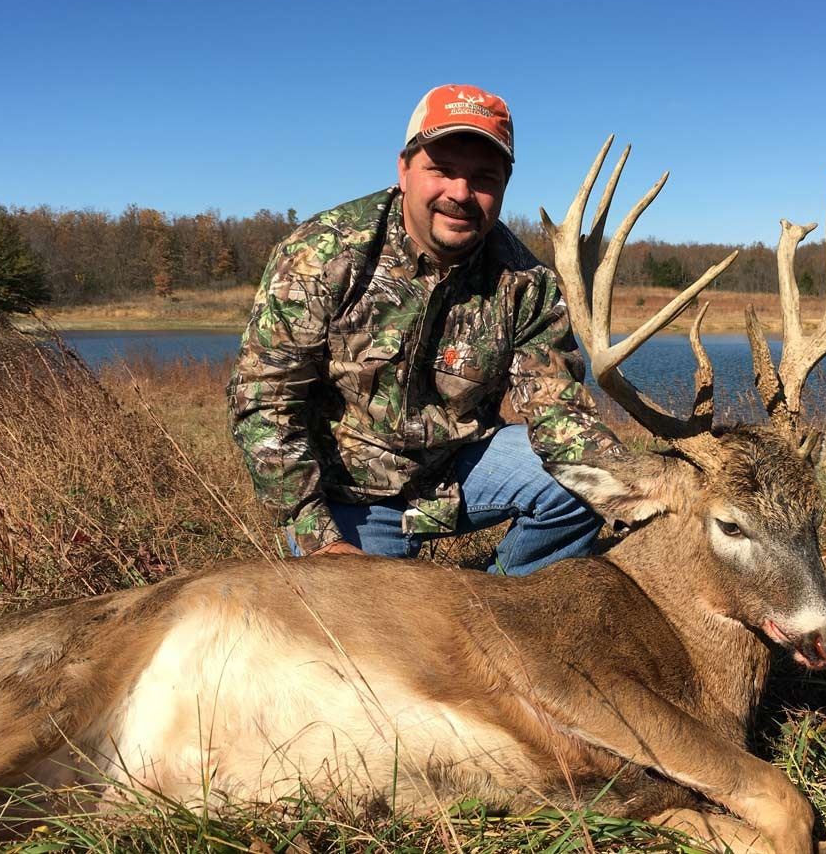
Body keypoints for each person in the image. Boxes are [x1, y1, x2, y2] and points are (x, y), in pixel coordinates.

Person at [228, 84, 623, 576]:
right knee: (376, 624)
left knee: (585, 486)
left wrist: (636, 484)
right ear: (404, 170)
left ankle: (507, 601)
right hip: (350, 497)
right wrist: (318, 537)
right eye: (442, 170)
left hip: (457, 474)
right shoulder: (324, 253)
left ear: (505, 185)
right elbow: (264, 401)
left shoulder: (526, 282)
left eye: (483, 178)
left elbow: (559, 411)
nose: (460, 193)